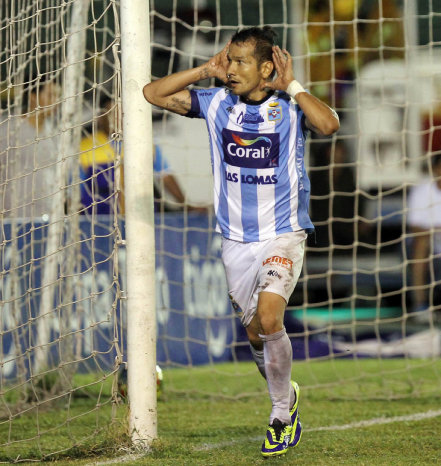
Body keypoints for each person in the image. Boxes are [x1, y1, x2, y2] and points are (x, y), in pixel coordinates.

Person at [143, 26, 339, 457]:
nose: (231, 69)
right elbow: (153, 93)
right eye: (229, 60)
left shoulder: (290, 106)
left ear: (266, 67)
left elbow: (328, 124)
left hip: (283, 232)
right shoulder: (216, 104)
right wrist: (203, 69)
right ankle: (287, 395)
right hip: (234, 238)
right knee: (254, 333)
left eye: (240, 62)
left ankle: (279, 416)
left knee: (270, 319)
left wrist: (294, 84)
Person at [80, 97, 202, 215]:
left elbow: (165, 175)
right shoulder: (86, 146)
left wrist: (185, 205)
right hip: (99, 217)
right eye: (113, 113)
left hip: (140, 214)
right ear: (101, 117)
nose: (118, 118)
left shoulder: (144, 143)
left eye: (122, 113)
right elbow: (76, 187)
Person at [0, 75, 60, 219]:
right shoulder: (8, 130)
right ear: (33, 96)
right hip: (13, 219)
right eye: (51, 95)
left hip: (49, 217)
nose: (57, 101)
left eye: (59, 96)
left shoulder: (56, 134)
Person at [407, 154, 441, 321]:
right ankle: (421, 306)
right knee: (421, 243)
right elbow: (415, 227)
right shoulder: (422, 190)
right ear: (434, 169)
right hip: (427, 240)